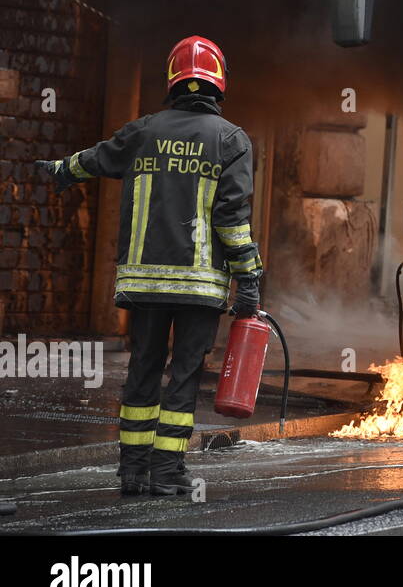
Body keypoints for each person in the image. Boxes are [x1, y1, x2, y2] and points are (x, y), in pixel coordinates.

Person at [38, 35, 263, 497]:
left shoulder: (144, 131)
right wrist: (249, 278)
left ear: (173, 80)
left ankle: (132, 471)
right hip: (198, 288)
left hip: (143, 284)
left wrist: (62, 170)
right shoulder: (231, 141)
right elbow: (231, 219)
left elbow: (99, 158)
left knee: (143, 367)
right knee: (183, 374)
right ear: (218, 82)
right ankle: (166, 470)